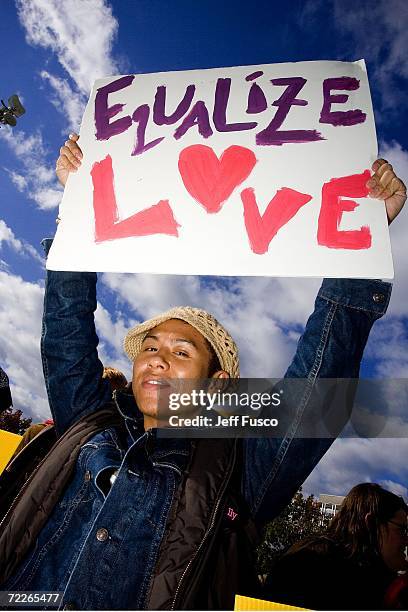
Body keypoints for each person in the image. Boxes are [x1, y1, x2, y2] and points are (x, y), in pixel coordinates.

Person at [0, 134, 405, 611]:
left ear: (218, 384)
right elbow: (65, 334)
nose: (156, 357)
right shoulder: (89, 424)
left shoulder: (235, 472)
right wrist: (78, 204)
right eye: (149, 346)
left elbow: (313, 398)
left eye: (181, 351)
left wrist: (363, 244)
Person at [263, 483, 408, 610]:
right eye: (402, 529)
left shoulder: (377, 577)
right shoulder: (313, 567)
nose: (407, 540)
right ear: (371, 524)